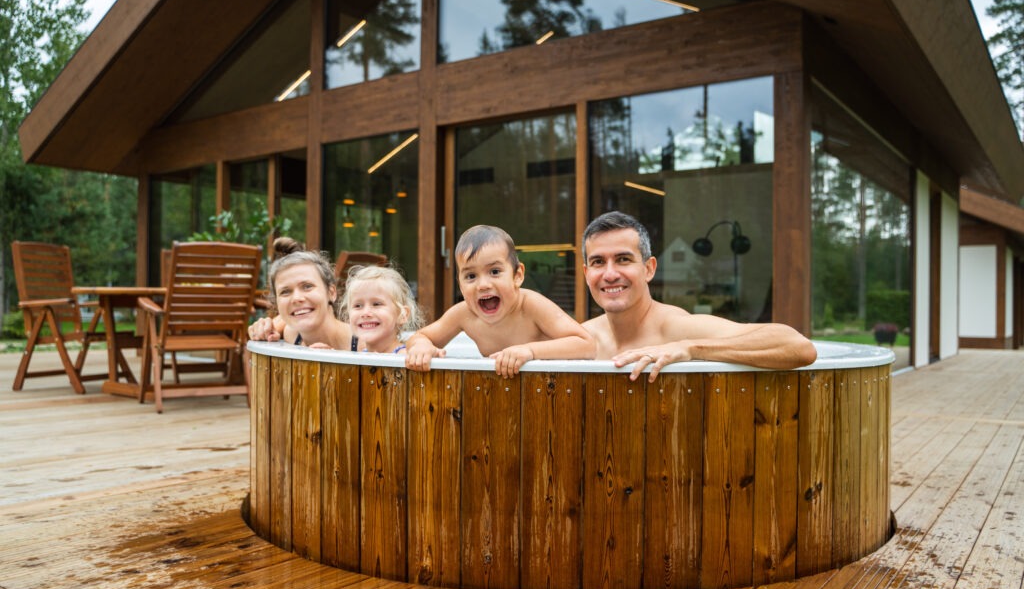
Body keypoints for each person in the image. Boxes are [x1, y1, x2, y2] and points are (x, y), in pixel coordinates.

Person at [581, 211, 817, 381]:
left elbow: (798, 346)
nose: (610, 274)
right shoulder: (585, 336)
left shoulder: (676, 328)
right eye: (598, 262)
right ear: (586, 273)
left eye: (623, 259)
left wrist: (691, 348)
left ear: (649, 269)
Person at [404, 224, 596, 377]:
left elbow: (587, 345)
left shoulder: (530, 305)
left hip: (550, 387)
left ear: (517, 276)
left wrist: (529, 351)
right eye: (471, 276)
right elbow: (419, 336)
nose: (483, 285)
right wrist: (421, 346)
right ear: (460, 285)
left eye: (494, 272)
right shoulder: (463, 314)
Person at [247, 238, 353, 350]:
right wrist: (264, 329)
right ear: (276, 302)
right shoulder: (292, 335)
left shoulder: (364, 343)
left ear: (331, 293)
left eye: (307, 286)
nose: (297, 298)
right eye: (285, 292)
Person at [340, 264, 423, 354]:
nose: (366, 313)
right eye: (358, 306)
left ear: (402, 315)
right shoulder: (360, 356)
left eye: (376, 304)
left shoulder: (405, 358)